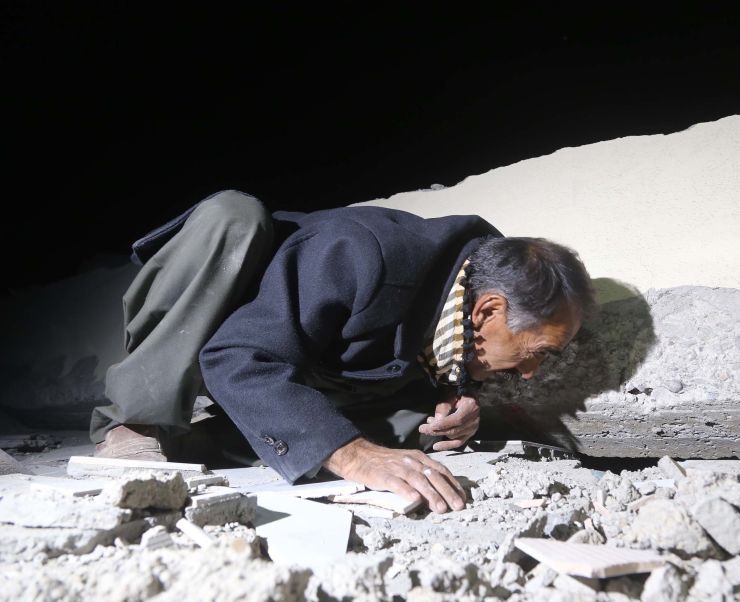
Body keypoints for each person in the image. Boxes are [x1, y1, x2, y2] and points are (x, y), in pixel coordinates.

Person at [90, 190, 595, 513]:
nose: (529, 373)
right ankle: (136, 424)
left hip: (307, 361)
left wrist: (452, 396)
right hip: (224, 328)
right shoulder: (360, 254)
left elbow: (419, 347)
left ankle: (199, 442)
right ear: (487, 311)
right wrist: (351, 455)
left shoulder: (474, 281)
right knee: (232, 215)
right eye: (538, 352)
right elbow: (233, 355)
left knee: (407, 429)